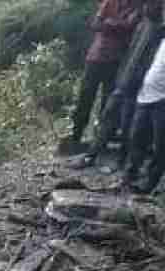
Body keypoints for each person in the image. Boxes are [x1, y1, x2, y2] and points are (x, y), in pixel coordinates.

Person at [78, 2, 165, 167]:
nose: (148, 7)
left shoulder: (159, 32)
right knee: (109, 115)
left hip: (140, 85)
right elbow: (130, 51)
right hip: (125, 79)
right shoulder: (143, 25)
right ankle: (91, 155)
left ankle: (122, 161)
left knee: (128, 125)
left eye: (153, 5)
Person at [63, 0, 143, 154]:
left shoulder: (136, 8)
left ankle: (100, 141)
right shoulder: (110, 2)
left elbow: (129, 26)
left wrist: (109, 23)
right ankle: (76, 137)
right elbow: (96, 24)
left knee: (107, 103)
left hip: (115, 61)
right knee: (84, 98)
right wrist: (117, 25)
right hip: (95, 57)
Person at [123, 34, 165, 192]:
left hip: (162, 100)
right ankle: (129, 176)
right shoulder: (159, 39)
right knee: (136, 137)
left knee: (160, 145)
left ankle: (150, 184)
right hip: (145, 95)